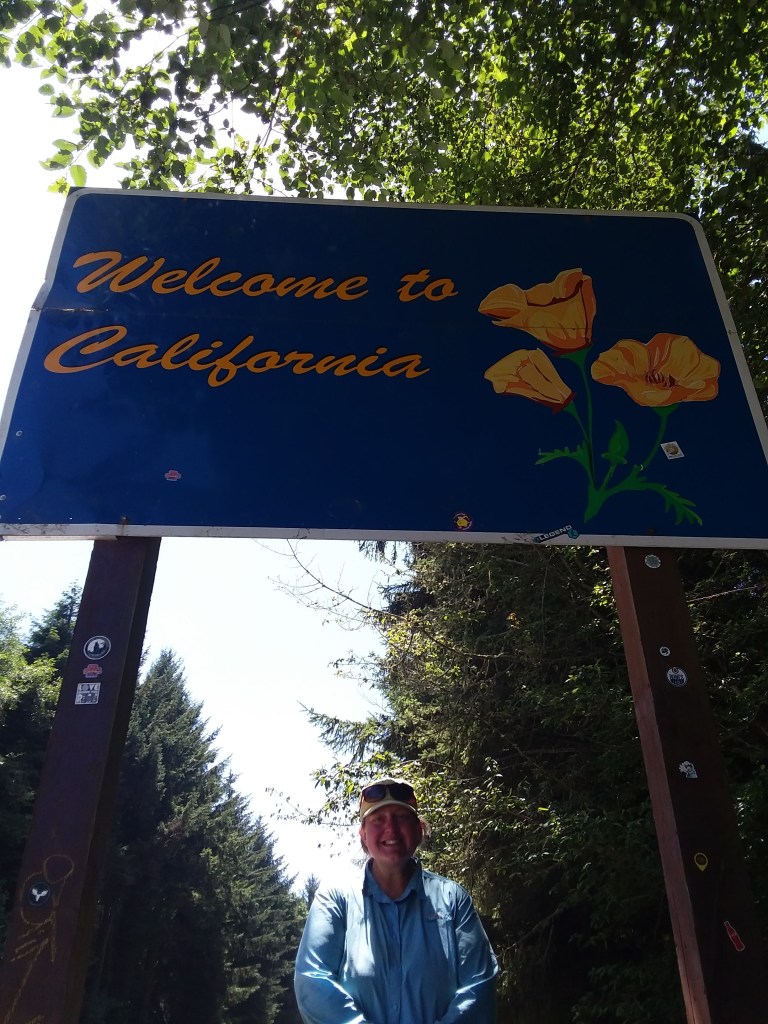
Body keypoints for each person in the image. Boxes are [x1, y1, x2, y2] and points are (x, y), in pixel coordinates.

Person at [294, 777, 498, 1024]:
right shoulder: (335, 900)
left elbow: (480, 987)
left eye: (401, 817)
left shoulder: (453, 900)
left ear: (418, 830)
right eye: (378, 819)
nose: (391, 829)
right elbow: (312, 980)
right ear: (363, 834)